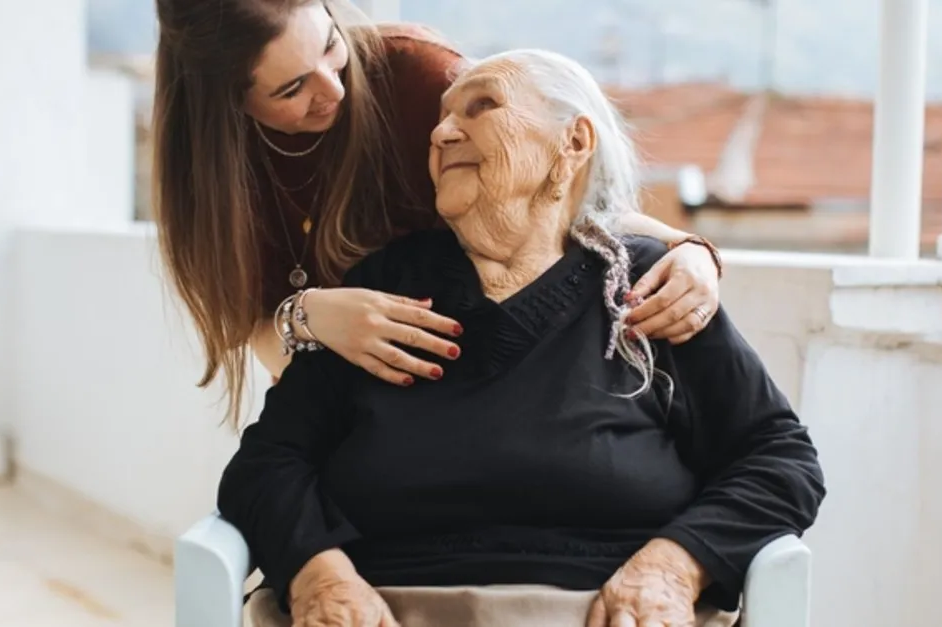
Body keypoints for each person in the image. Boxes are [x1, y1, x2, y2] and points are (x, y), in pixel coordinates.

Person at [218, 49, 825, 627]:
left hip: (606, 608)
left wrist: (672, 567)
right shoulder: (385, 285)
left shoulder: (650, 286)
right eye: (441, 118)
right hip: (389, 605)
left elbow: (778, 460)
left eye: (482, 107)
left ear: (574, 142)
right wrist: (320, 576)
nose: (441, 134)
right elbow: (267, 463)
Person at [151, 0, 726, 425]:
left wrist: (686, 250)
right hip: (344, 419)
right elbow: (254, 326)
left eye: (330, 44)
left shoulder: (417, 76)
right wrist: (308, 319)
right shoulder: (208, 177)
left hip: (493, 396)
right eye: (293, 89)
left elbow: (553, 193)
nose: (334, 89)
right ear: (225, 104)